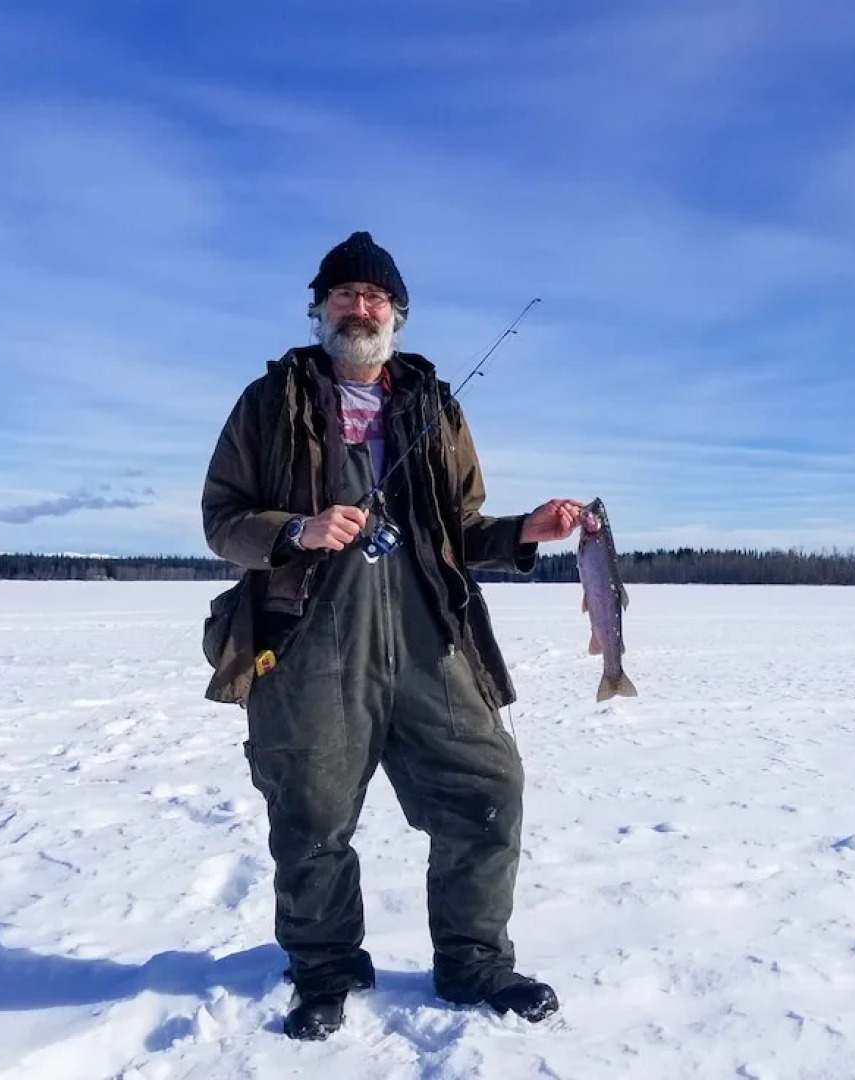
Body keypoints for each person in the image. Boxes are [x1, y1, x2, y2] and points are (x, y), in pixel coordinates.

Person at [201, 231, 582, 1040]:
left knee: (486, 790)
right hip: (307, 641)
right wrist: (296, 529)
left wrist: (526, 531)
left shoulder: (436, 407)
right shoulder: (269, 403)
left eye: (375, 297)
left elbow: (462, 529)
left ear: (397, 317)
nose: (359, 307)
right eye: (343, 294)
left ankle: (474, 962)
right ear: (319, 309)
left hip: (426, 636)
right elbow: (221, 520)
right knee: (309, 814)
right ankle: (325, 969)